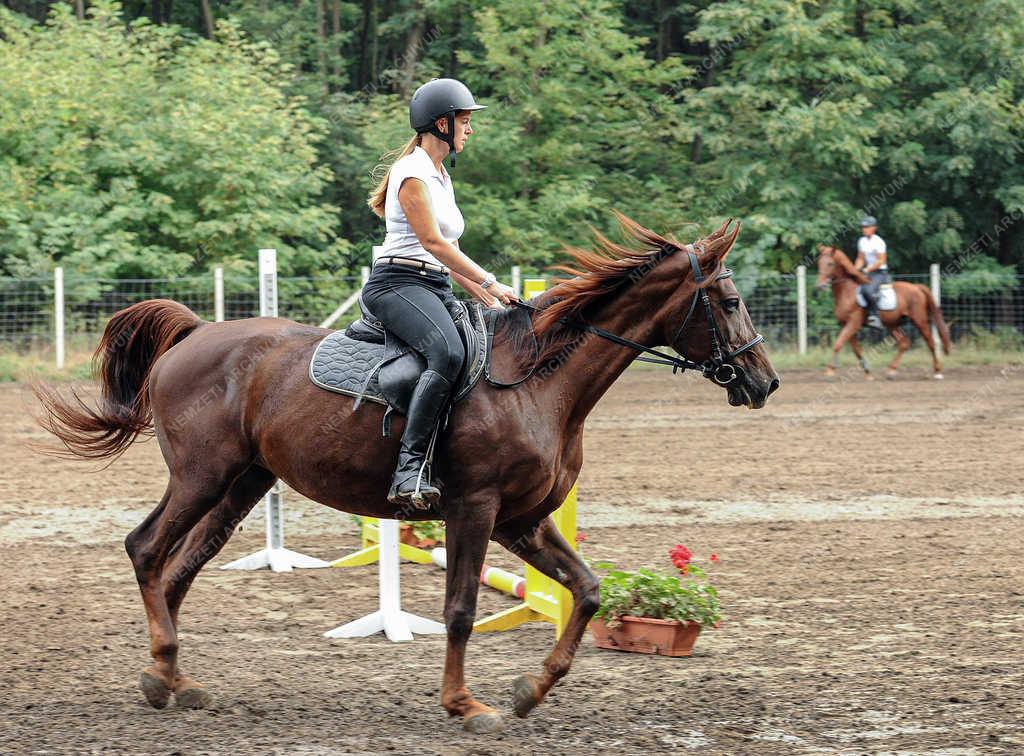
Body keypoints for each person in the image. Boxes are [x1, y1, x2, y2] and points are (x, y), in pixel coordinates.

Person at [362, 77, 519, 507]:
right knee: (447, 353)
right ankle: (408, 470)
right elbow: (433, 243)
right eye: (465, 121)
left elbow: (449, 253)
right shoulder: (412, 172)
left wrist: (489, 296)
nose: (470, 130)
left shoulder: (440, 173)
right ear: (441, 124)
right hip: (397, 284)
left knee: (482, 346)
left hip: (431, 283)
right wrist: (489, 280)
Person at [854, 215, 890, 329]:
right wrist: (855, 270)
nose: (864, 229)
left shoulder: (879, 242)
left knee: (868, 290)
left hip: (880, 272)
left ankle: (875, 316)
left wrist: (867, 269)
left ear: (873, 228)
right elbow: (860, 258)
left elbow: (881, 260)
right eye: (863, 227)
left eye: (867, 227)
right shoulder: (862, 241)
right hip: (868, 272)